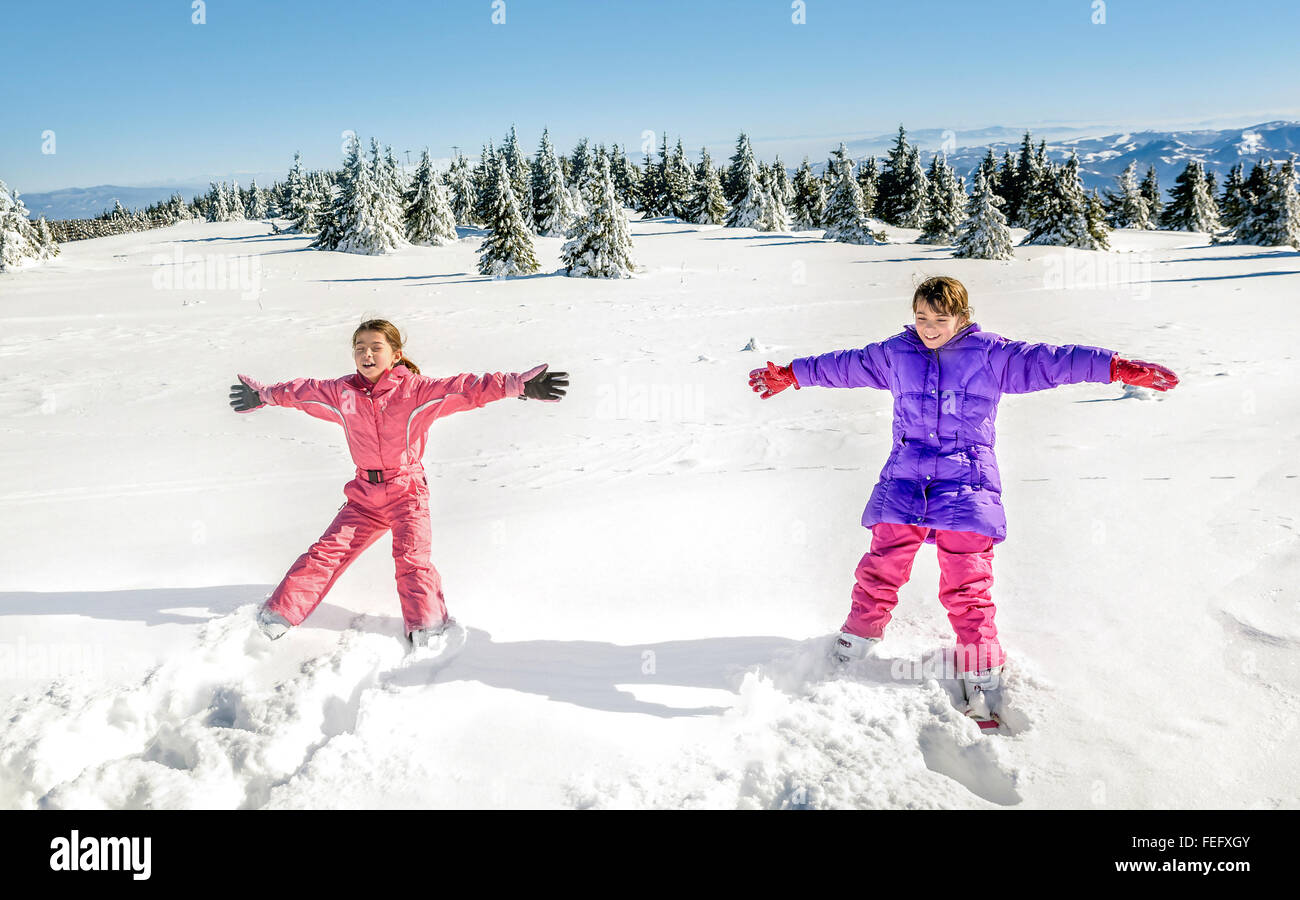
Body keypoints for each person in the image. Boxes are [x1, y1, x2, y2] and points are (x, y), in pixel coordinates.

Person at [748, 276, 1177, 721]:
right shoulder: (896, 354)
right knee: (880, 567)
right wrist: (792, 374)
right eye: (921, 318)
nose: (929, 328)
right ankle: (852, 645)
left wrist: (1113, 366)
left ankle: (982, 669)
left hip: (967, 481)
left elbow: (1053, 362)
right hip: (906, 478)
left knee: (967, 583)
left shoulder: (991, 354)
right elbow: (842, 364)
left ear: (962, 317)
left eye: (940, 318)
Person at [228, 318, 568, 648]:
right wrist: (264, 396)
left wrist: (515, 385)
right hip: (363, 495)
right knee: (325, 554)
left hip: (407, 493)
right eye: (360, 348)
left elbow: (465, 389)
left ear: (396, 354)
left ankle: (428, 629)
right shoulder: (341, 392)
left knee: (411, 559)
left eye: (376, 347)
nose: (367, 355)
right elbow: (301, 393)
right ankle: (278, 616)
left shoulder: (415, 391)